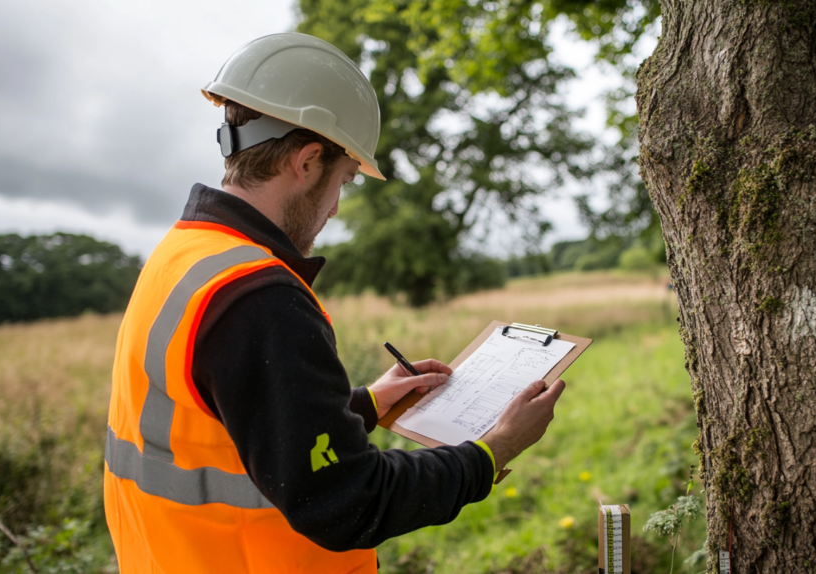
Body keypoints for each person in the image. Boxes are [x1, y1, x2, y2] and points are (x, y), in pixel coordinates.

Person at [103, 32, 566, 573]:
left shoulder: (184, 253)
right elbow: (350, 501)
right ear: (306, 162)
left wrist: (366, 404)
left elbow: (231, 419)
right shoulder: (260, 298)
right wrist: (494, 451)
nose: (337, 209)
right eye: (343, 179)